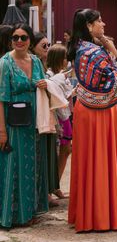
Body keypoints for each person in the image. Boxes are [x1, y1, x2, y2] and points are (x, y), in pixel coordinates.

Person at [66, 9, 117, 231]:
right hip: (100, 112)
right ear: (88, 25)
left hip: (85, 108)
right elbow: (114, 79)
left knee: (88, 161)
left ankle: (88, 211)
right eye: (99, 21)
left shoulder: (82, 49)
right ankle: (102, 214)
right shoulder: (93, 51)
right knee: (101, 159)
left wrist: (110, 48)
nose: (104, 24)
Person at [0, 23, 49, 228]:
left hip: (34, 122)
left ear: (30, 40)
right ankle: (11, 215)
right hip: (14, 123)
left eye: (23, 37)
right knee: (14, 167)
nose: (19, 41)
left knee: (33, 167)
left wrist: (45, 84)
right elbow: (1, 99)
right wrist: (2, 131)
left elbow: (44, 84)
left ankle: (28, 212)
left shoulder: (36, 61)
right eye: (15, 37)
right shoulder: (4, 63)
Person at [31, 32, 62, 205]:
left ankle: (49, 190)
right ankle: (46, 193)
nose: (47, 48)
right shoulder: (35, 65)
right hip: (39, 115)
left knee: (51, 152)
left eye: (48, 45)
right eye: (44, 45)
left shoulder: (41, 65)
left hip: (48, 113)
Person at [45, 44, 74, 198]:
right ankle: (51, 187)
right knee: (56, 152)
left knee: (66, 150)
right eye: (64, 58)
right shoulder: (49, 76)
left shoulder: (62, 75)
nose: (66, 60)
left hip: (65, 115)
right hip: (57, 117)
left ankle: (56, 184)